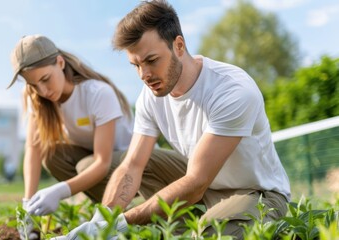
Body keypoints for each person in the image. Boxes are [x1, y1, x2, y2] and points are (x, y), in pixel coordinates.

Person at [54, 0, 291, 239]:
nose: (144, 75)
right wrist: (105, 221)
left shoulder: (232, 91)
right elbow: (133, 165)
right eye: (135, 65)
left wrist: (125, 221)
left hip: (256, 193)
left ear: (178, 45)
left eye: (151, 60)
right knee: (131, 161)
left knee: (212, 232)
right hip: (204, 189)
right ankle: (178, 224)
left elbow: (196, 181)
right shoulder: (150, 96)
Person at [7, 34, 134, 240]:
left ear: (60, 62)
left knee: (87, 164)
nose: (43, 91)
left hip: (130, 164)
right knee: (52, 154)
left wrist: (61, 191)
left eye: (45, 79)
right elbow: (34, 149)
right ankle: (99, 209)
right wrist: (28, 205)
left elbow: (102, 162)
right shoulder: (37, 98)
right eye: (33, 85)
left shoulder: (97, 93)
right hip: (92, 160)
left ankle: (118, 211)